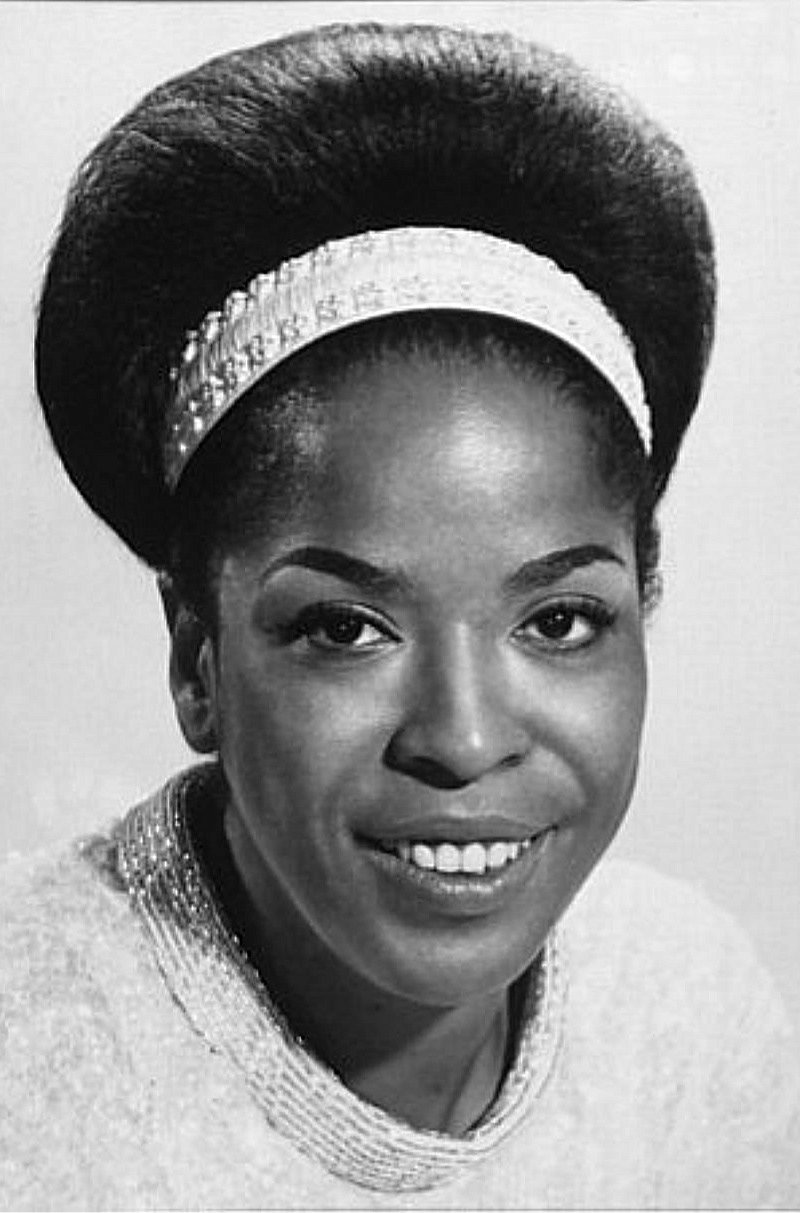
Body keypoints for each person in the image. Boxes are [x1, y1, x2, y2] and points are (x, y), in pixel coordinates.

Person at [1, 19, 798, 1210]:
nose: (463, 738)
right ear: (196, 662)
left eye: (558, 621)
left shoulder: (685, 1008)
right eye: (344, 628)